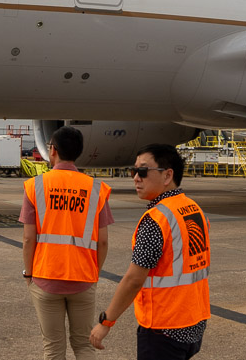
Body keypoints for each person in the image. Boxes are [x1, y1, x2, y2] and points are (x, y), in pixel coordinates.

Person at [90, 144, 211, 359]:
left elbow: (133, 280)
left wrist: (106, 321)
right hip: (194, 321)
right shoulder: (194, 209)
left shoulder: (156, 221)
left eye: (143, 171)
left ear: (167, 175)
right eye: (133, 171)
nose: (136, 178)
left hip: (165, 327)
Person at [23, 126, 116, 360]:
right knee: (84, 346)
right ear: (79, 153)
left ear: (52, 150)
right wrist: (94, 272)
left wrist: (29, 274)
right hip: (83, 277)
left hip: (46, 277)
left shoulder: (35, 186)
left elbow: (28, 238)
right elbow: (103, 242)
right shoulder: (96, 188)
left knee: (53, 348)